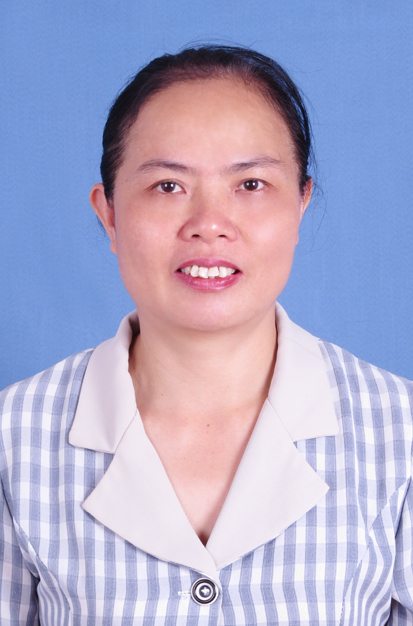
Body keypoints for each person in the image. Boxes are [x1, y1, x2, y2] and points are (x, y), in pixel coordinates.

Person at [0, 45, 412, 626]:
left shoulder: (400, 433)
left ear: (301, 204)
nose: (209, 224)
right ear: (109, 213)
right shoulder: (13, 440)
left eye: (251, 183)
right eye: (168, 186)